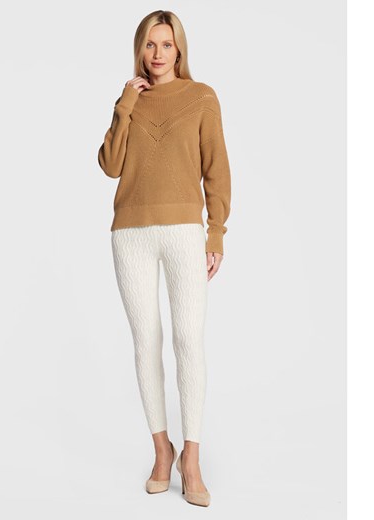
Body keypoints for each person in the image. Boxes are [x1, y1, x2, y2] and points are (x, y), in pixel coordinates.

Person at [97, 10, 231, 508]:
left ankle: (191, 457)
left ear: (179, 49)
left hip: (183, 233)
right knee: (145, 342)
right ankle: (161, 450)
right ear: (140, 49)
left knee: (187, 339)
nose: (158, 54)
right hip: (129, 234)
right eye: (150, 45)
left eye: (167, 45)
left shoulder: (201, 97)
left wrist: (215, 232)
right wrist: (125, 104)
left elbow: (217, 168)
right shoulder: (129, 100)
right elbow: (110, 165)